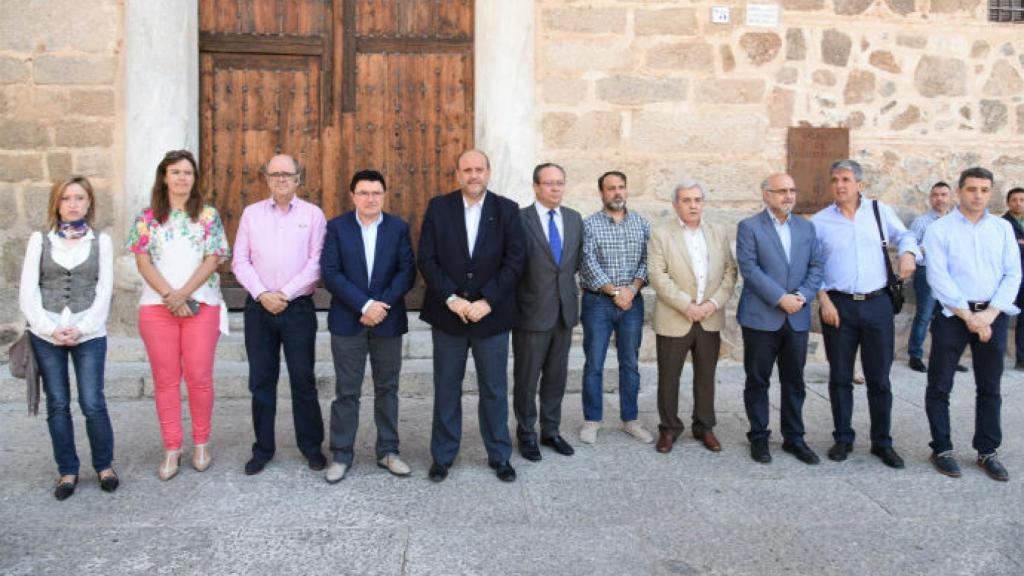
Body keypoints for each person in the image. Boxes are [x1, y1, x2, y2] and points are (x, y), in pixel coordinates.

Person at [418, 149, 525, 483]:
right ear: (457, 174)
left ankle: (499, 455)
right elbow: (428, 258)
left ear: (489, 172)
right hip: (448, 315)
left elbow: (515, 260)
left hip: (491, 317)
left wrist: (488, 300)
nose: (474, 175)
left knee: (493, 388)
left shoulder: (506, 210)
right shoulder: (439, 207)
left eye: (479, 169)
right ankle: (443, 456)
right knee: (446, 388)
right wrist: (451, 298)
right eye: (467, 169)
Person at [127, 149, 230, 481]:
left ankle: (201, 442)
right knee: (166, 380)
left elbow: (214, 258)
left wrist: (184, 293)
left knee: (199, 377)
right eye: (175, 172)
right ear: (164, 177)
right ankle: (172, 446)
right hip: (158, 309)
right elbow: (143, 261)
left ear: (194, 178)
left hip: (201, 305)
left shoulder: (208, 216)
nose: (182, 178)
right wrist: (170, 296)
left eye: (188, 172)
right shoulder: (147, 217)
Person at [813, 159, 918, 469]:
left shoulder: (879, 212)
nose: (839, 185)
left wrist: (909, 254)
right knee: (840, 377)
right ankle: (843, 438)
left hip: (877, 304)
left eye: (846, 179)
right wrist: (824, 300)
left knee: (879, 379)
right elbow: (812, 265)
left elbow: (906, 236)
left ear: (860, 184)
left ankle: (882, 442)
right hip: (838, 306)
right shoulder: (820, 221)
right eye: (834, 180)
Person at [19, 176, 118, 500]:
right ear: (56, 203)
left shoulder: (100, 241)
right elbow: (28, 291)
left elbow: (104, 291)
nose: (73, 203)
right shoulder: (40, 240)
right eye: (66, 198)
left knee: (92, 402)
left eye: (79, 198)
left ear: (89, 203)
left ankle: (104, 465)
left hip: (89, 333)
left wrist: (83, 327)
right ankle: (68, 470)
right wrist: (49, 329)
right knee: (58, 404)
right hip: (47, 333)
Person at [232, 154, 327, 475]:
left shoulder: (313, 215)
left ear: (299, 178)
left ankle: (312, 447)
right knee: (261, 381)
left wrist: (284, 294)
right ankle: (263, 449)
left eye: (287, 174)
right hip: (259, 308)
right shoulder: (251, 214)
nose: (281, 179)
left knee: (303, 380)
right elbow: (239, 261)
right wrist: (262, 294)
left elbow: (317, 262)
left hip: (297, 308)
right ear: (267, 179)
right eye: (275, 174)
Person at [924, 167, 1020, 482]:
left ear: (990, 192)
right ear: (959, 191)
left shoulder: (1002, 230)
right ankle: (942, 449)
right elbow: (938, 276)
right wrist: (969, 317)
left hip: (992, 315)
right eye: (971, 189)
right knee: (940, 385)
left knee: (990, 387)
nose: (977, 195)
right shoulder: (940, 229)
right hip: (953, 317)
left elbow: (1012, 274)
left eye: (983, 189)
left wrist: (990, 315)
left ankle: (987, 451)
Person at [320, 170, 415, 483]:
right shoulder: (336, 227)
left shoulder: (398, 228)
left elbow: (406, 272)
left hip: (388, 321)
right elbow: (331, 273)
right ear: (353, 196)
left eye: (376, 192)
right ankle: (342, 454)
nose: (370, 198)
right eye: (364, 193)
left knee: (387, 389)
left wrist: (380, 306)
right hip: (348, 321)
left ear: (384, 195)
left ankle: (388, 450)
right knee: (347, 391)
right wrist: (363, 305)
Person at [735, 174, 824, 464]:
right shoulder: (749, 227)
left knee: (794, 381)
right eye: (781, 191)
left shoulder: (807, 229)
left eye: (792, 190)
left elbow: (816, 267)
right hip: (761, 318)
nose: (789, 196)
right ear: (766, 195)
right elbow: (750, 269)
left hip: (796, 317)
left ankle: (794, 438)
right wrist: (779, 298)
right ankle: (759, 437)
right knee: (758, 380)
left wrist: (801, 296)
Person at [648, 181, 737, 454]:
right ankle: (669, 429)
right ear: (676, 204)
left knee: (706, 376)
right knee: (669, 377)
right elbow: (657, 275)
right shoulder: (661, 233)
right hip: (676, 316)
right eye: (686, 200)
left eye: (697, 199)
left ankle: (704, 427)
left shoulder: (718, 233)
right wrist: (687, 305)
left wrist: (711, 304)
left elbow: (729, 273)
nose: (693, 205)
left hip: (709, 317)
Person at [512, 163, 583, 462]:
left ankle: (550, 431)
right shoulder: (519, 219)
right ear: (536, 186)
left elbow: (574, 263)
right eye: (549, 183)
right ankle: (526, 433)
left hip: (564, 311)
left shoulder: (574, 219)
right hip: (531, 312)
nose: (556, 188)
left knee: (556, 377)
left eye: (560, 183)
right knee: (527, 378)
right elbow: (513, 265)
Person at [578, 171, 652, 445]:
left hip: (632, 302)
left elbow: (648, 260)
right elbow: (587, 262)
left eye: (621, 187)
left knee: (630, 363)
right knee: (594, 363)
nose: (617, 192)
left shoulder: (642, 224)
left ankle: (630, 419)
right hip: (598, 302)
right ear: (601, 193)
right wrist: (614, 290)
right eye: (611, 188)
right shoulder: (589, 225)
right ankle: (592, 420)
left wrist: (631, 289)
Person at [907, 182, 966, 373]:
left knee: (950, 318)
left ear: (950, 197)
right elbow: (909, 249)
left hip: (953, 276)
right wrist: (921, 250)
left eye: (943, 194)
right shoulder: (921, 222)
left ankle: (948, 357)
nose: (939, 198)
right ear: (930, 198)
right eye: (935, 195)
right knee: (924, 316)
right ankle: (915, 356)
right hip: (927, 274)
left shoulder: (959, 222)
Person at [1001, 187, 1024, 370]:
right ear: (1008, 203)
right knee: (1000, 316)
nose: (1018, 203)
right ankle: (994, 356)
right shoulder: (1003, 224)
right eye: (1014, 200)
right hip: (1008, 278)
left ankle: (1021, 359)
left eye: (1022, 200)